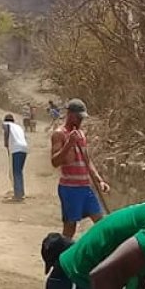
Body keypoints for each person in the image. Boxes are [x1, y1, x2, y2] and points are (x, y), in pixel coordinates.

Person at [51, 99, 110, 238]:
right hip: (69, 189)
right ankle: (61, 256)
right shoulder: (59, 134)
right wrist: (69, 144)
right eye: (79, 117)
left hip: (85, 187)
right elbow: (54, 162)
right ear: (70, 115)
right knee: (70, 228)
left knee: (101, 222)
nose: (81, 121)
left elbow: (87, 161)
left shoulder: (81, 134)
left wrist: (99, 180)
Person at [2, 114, 28, 201]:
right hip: (24, 148)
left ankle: (18, 194)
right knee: (18, 172)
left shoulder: (6, 124)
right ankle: (20, 192)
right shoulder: (18, 127)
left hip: (15, 149)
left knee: (15, 172)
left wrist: (6, 143)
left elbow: (6, 131)